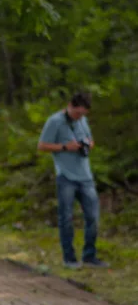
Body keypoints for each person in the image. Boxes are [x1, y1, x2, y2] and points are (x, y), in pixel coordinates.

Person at [38, 92, 107, 269]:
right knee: (66, 218)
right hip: (66, 177)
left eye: (83, 114)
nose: (79, 117)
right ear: (70, 105)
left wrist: (88, 144)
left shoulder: (82, 120)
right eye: (77, 113)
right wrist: (64, 147)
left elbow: (90, 139)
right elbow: (42, 146)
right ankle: (69, 258)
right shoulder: (55, 121)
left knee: (93, 217)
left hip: (86, 177)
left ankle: (89, 256)